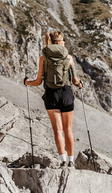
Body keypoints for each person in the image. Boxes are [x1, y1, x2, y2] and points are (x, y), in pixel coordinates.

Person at [24, 30, 82, 168]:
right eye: (63, 40)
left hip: (51, 96)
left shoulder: (43, 58)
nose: (64, 43)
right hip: (66, 94)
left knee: (57, 130)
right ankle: (71, 161)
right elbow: (74, 80)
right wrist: (80, 84)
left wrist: (27, 82)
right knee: (68, 129)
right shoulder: (69, 58)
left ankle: (62, 160)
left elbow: (38, 81)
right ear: (59, 42)